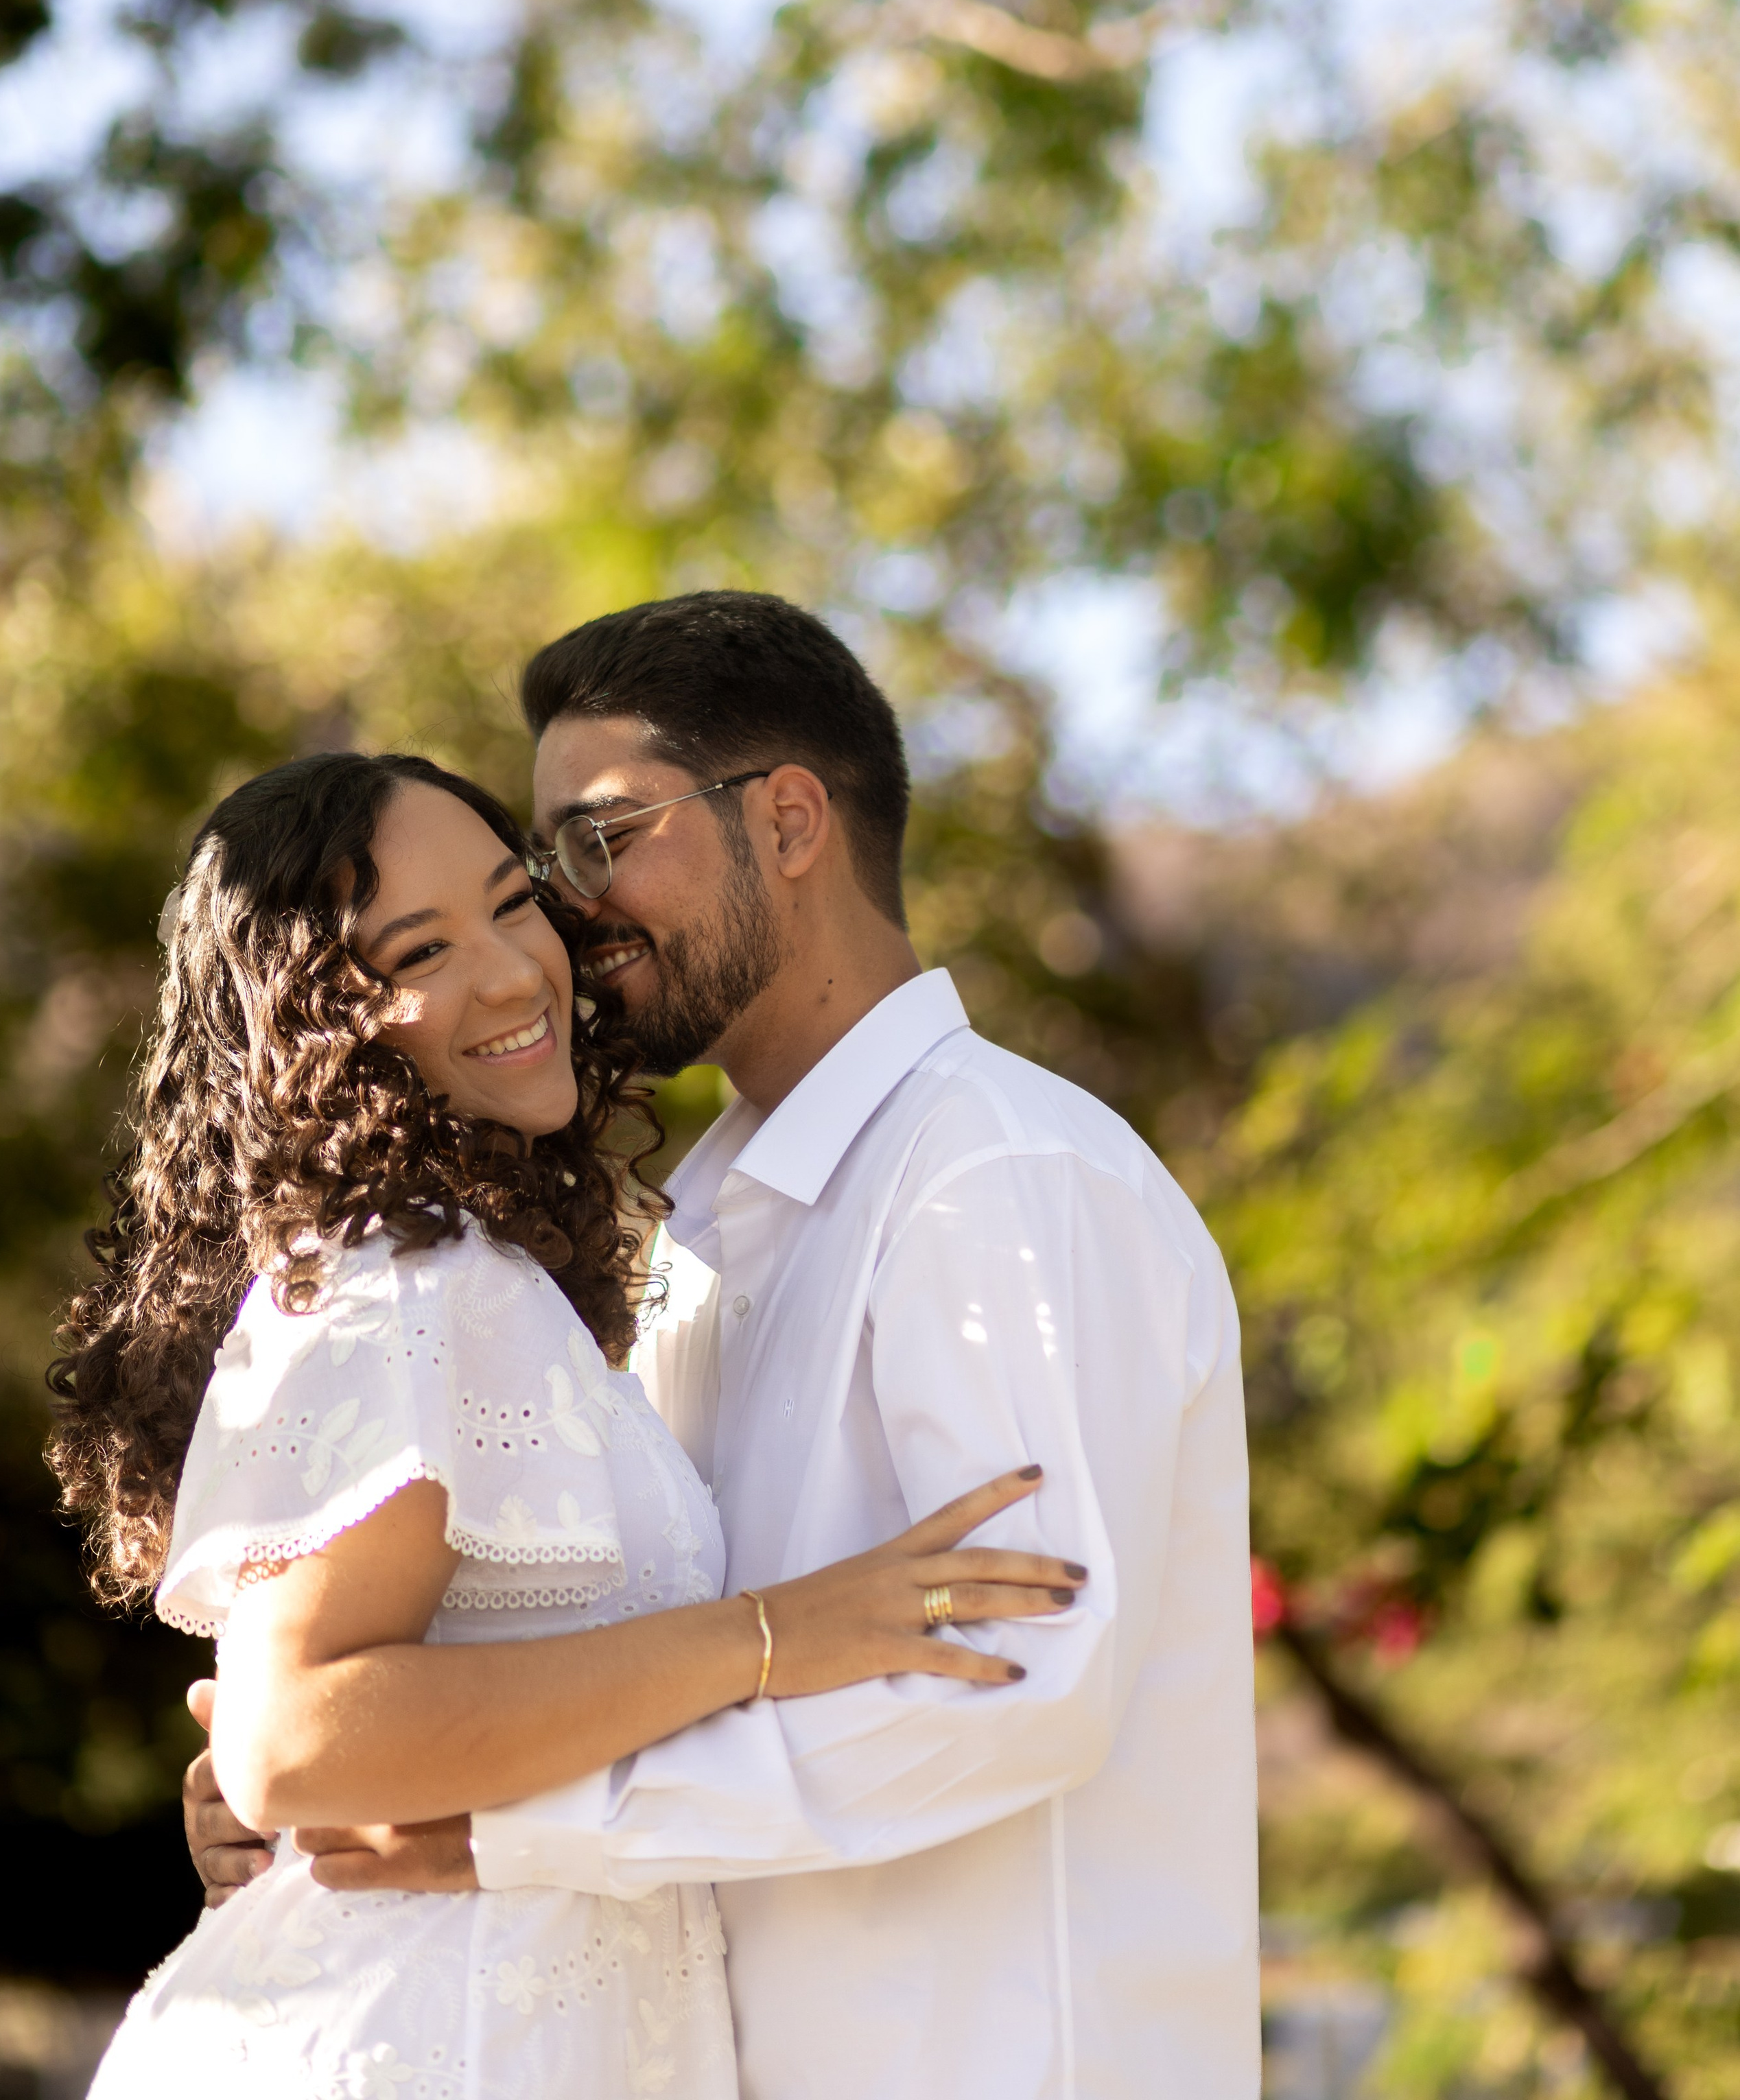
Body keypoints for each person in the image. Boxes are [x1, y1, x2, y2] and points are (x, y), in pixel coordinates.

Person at [190, 594, 1261, 2099]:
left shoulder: (997, 1177)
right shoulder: (694, 1229)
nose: (568, 909)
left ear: (789, 818)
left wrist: (504, 1831)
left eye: (599, 841)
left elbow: (1019, 1677)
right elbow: (622, 1649)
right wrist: (340, 1768)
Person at [50, 746, 1081, 2100]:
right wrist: (771, 1639)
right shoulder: (405, 1283)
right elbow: (294, 1735)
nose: (510, 971)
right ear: (320, 1023)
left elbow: (336, 1734)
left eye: (509, 902)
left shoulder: (491, 1281)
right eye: (419, 948)